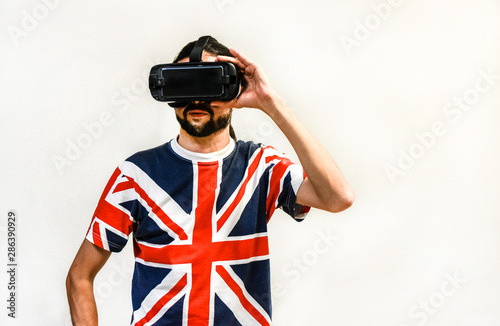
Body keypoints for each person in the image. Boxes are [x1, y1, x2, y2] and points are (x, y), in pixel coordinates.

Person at [66, 36, 355, 326]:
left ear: (233, 90)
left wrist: (271, 102)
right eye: (184, 84)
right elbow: (79, 276)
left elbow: (337, 197)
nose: (196, 99)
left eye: (208, 83)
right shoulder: (136, 175)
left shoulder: (262, 167)